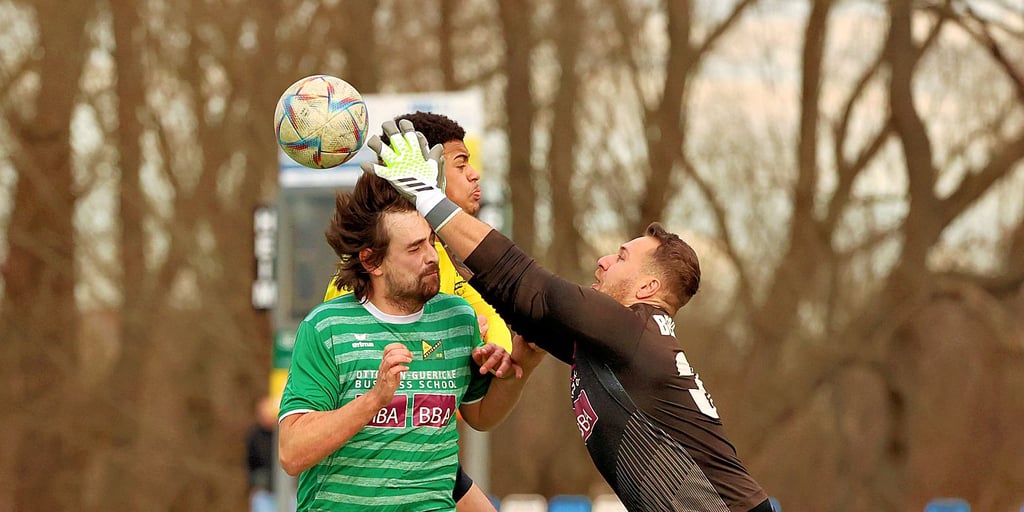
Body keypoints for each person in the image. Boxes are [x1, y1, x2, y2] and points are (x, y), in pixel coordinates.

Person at [362, 120, 773, 512]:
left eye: (622, 257)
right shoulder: (620, 344)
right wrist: (433, 221)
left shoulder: (631, 328)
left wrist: (428, 198)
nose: (603, 260)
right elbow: (516, 299)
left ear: (648, 288)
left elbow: (526, 283)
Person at [277, 173, 537, 511]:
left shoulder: (458, 318)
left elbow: (481, 415)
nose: (432, 256)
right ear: (371, 261)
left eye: (431, 241)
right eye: (414, 248)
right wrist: (375, 399)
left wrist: (521, 366)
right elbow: (292, 452)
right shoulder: (326, 328)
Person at [246, 396, 278, 512]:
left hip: (286, 490)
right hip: (263, 490)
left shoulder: (281, 435)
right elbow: (250, 463)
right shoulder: (255, 436)